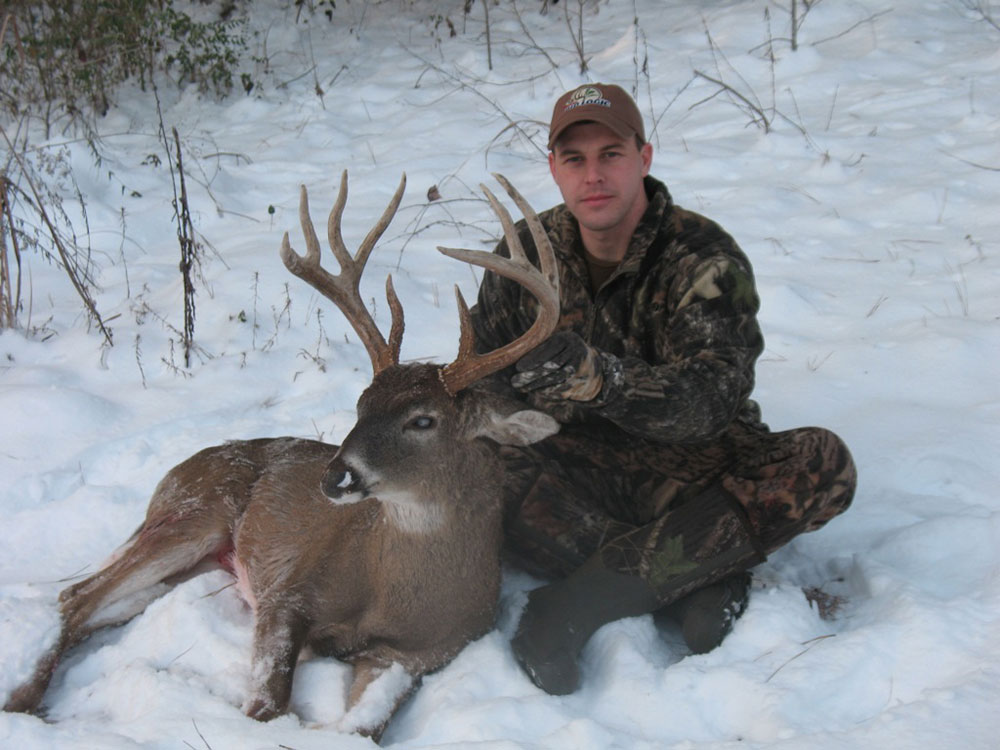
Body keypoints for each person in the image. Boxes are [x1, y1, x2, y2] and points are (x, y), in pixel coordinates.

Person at [469, 83, 857, 695]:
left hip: (693, 470)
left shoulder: (702, 258)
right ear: (554, 169)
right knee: (473, 467)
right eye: (575, 159)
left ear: (644, 158)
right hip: (576, 463)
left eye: (611, 154)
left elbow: (712, 400)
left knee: (821, 463)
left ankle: (572, 605)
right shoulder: (521, 256)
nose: (594, 175)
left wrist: (600, 380)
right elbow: (482, 380)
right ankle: (694, 579)